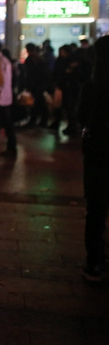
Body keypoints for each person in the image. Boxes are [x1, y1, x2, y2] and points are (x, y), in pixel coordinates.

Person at [80, 35, 109, 281]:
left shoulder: (92, 86)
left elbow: (81, 116)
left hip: (97, 151)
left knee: (96, 209)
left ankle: (95, 262)